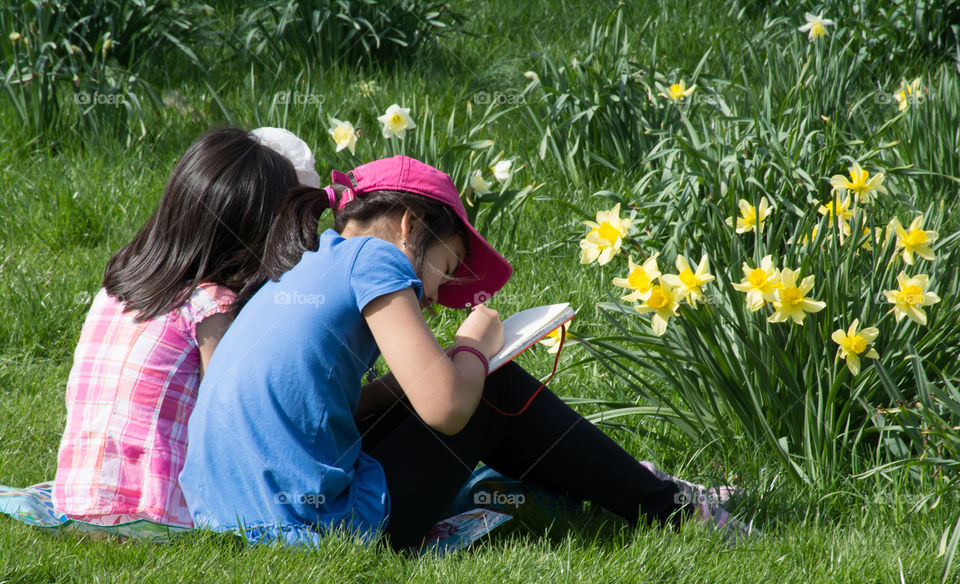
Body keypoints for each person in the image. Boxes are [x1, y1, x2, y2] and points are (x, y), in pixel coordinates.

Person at [179, 156, 753, 551]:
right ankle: (668, 507)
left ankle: (632, 486)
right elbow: (448, 409)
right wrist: (471, 347)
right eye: (445, 270)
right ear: (409, 227)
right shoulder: (374, 258)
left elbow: (319, 413)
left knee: (459, 385)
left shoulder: (301, 262)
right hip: (311, 527)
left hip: (229, 517)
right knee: (490, 389)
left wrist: (405, 383)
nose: (431, 299)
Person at [52, 126, 323, 528]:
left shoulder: (117, 289)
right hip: (156, 508)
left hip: (78, 493)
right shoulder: (209, 307)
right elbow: (234, 419)